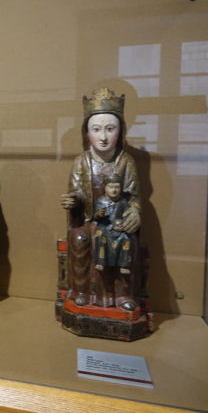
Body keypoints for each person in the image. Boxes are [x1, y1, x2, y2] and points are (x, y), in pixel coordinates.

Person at [59, 87, 143, 314]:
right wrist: (73, 201)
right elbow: (77, 192)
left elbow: (134, 196)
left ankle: (123, 295)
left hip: (117, 220)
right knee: (80, 239)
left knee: (126, 241)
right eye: (96, 129)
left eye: (110, 129)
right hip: (90, 220)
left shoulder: (126, 162)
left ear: (120, 131)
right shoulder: (81, 162)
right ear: (86, 133)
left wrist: (134, 211)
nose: (103, 137)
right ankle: (82, 292)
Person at [93, 173, 134, 281]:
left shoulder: (123, 202)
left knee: (126, 238)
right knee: (101, 236)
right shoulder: (101, 201)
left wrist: (123, 224)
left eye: (117, 187)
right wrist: (99, 214)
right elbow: (95, 217)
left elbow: (126, 215)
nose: (114, 190)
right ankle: (101, 262)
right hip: (105, 227)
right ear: (105, 188)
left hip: (118, 228)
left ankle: (124, 264)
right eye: (111, 187)